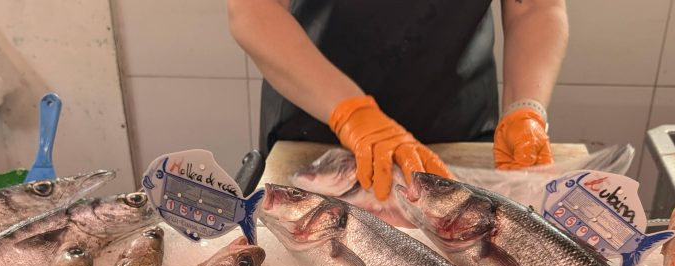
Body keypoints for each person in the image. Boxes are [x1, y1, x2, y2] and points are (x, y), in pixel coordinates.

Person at [228, 0, 568, 201]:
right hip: (316, 118)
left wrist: (527, 108)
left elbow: (534, 8)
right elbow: (254, 10)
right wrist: (350, 112)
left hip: (456, 121)